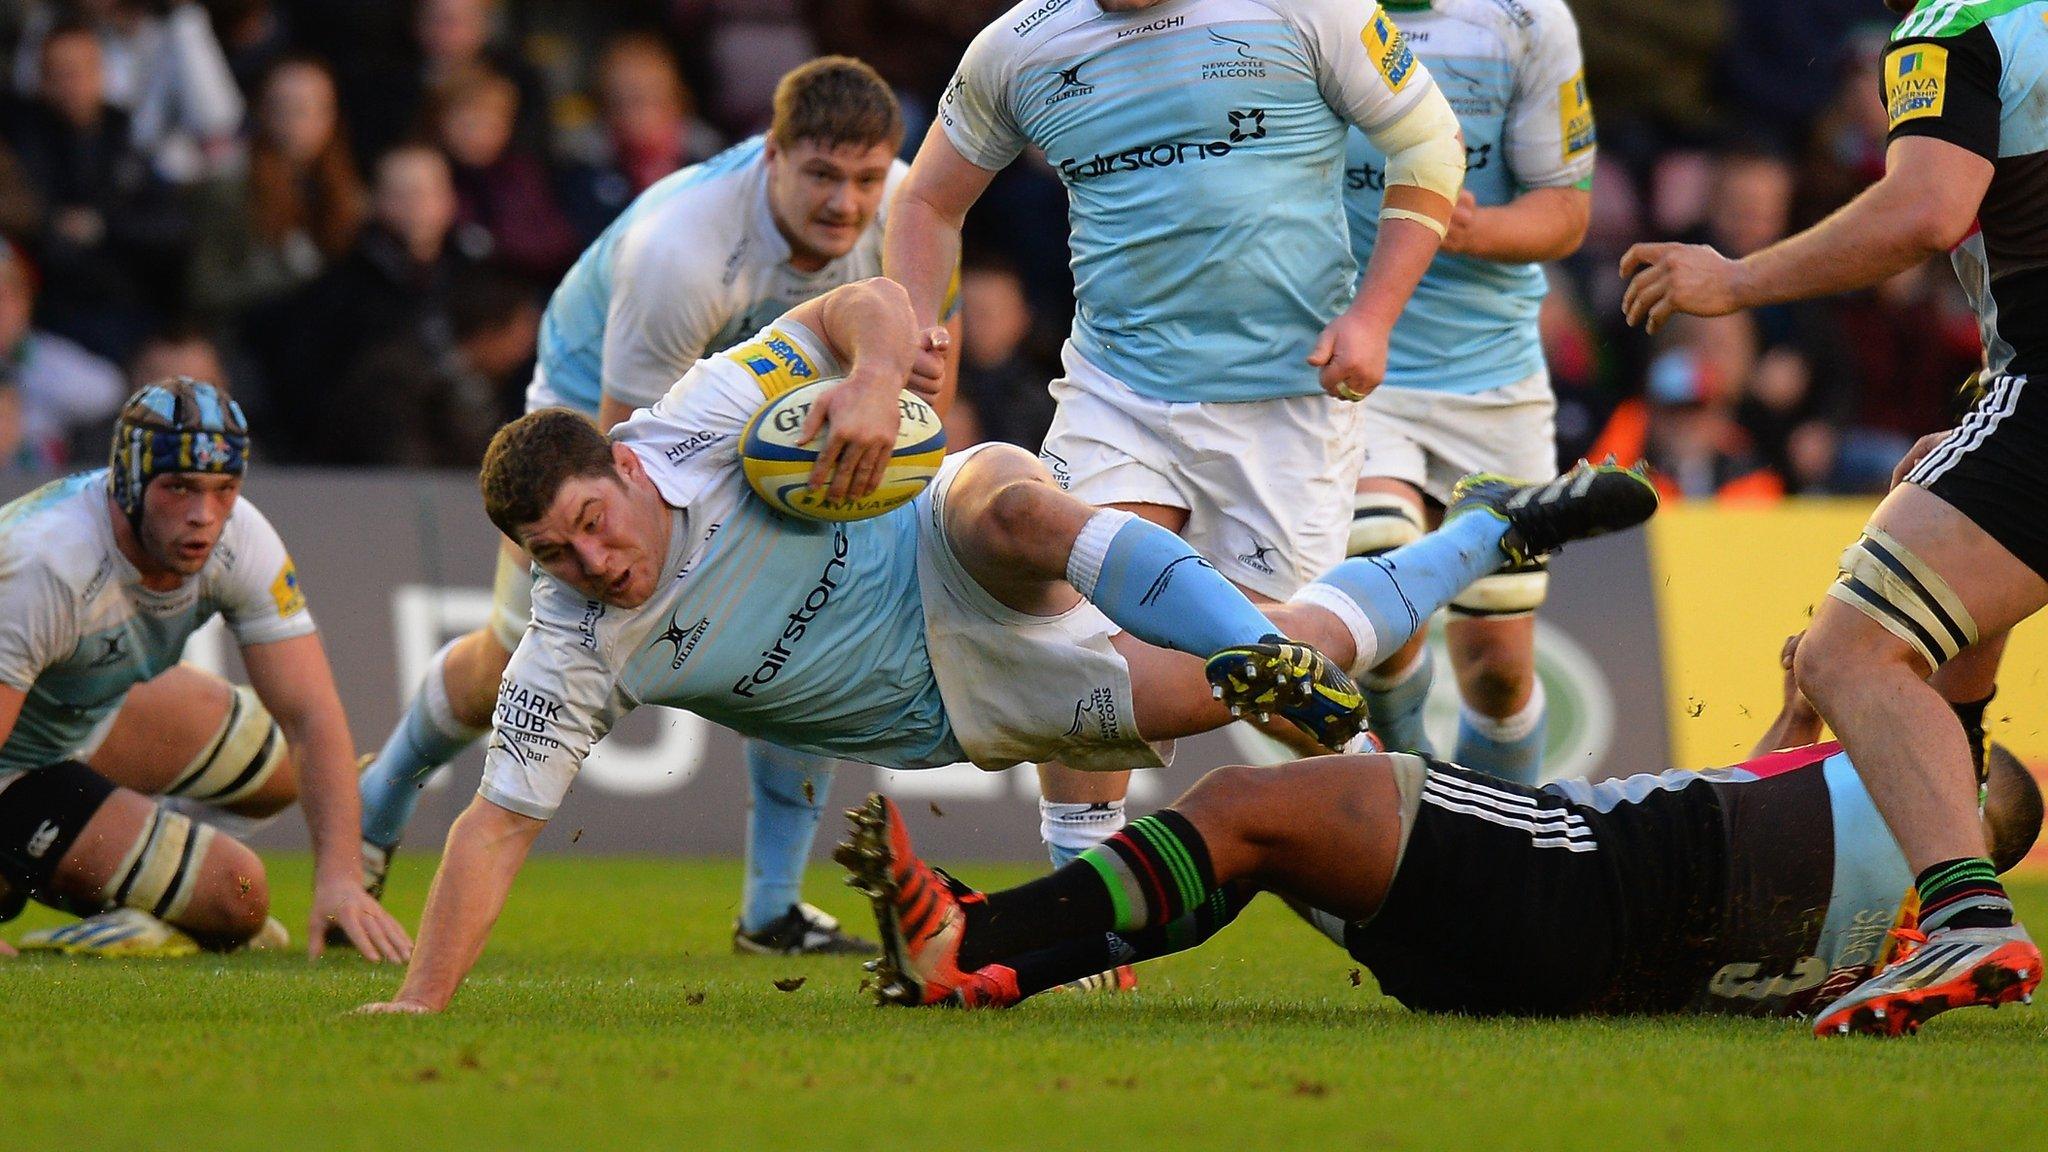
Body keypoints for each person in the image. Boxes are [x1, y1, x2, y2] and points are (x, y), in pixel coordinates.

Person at [351, 278, 1656, 1015]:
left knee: (1021, 505)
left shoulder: (692, 424)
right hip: (965, 699)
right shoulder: (572, 645)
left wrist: (869, 384)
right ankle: (1488, 538)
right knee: (1311, 638)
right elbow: (499, 826)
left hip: (940, 537)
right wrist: (420, 1004)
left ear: (623, 469)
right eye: (557, 556)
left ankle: (1259, 661)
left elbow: (865, 302)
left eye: (591, 525)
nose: (590, 562)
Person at [352, 58, 953, 958]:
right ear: (771, 155)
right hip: (604, 403)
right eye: (822, 175)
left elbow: (925, 389)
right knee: (517, 649)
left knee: (811, 609)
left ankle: (772, 912)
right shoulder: (685, 253)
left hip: (777, 386)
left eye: (866, 178)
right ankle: (378, 801)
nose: (846, 203)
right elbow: (626, 452)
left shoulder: (910, 215)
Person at [885, 0, 1467, 867]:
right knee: (1072, 630)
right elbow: (928, 198)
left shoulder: (1309, 11)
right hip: (1120, 392)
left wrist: (1374, 317)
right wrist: (917, 329)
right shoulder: (1022, 44)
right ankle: (1083, 914)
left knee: (1277, 681)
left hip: (1286, 404)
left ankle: (1427, 818)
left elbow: (1429, 142)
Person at [840, 637, 2043, 1024]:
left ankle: (968, 940)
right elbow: (1764, 771)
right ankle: (986, 959)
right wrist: (1799, 700)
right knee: (1259, 851)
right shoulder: (1891, 920)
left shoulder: (1924, 792)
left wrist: (1922, 480)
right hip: (1584, 961)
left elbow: (1933, 674)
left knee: (1250, 808)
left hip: (1584, 876)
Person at [1618, 0, 2048, 1035]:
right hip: (2012, 399)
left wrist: (1735, 279)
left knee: (1844, 654)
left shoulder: (1959, 23)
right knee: (1940, 603)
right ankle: (1931, 853)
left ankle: (1961, 913)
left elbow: (1923, 213)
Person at [0, 377, 409, 961]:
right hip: (11, 766)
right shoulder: (47, 563)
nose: (204, 515)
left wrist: (341, 878)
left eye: (224, 488)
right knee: (239, 897)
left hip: (77, 714)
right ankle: (81, 874)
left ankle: (137, 870)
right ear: (127, 482)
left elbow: (311, 716)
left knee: (296, 766)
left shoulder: (240, 538)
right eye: (179, 487)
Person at [1340, 0, 1596, 783]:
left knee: (1497, 669)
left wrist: (1476, 230)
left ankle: (1502, 848)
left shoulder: (1527, 21)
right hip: (1353, 357)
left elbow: (1566, 210)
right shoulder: (1309, 12)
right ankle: (1413, 803)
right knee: (1380, 557)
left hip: (1491, 381)